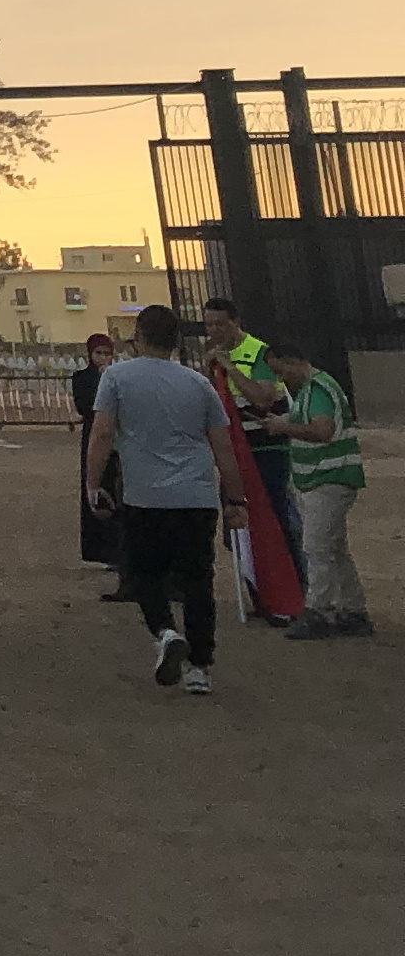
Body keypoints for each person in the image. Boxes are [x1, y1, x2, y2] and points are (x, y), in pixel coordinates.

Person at [87, 304, 249, 695]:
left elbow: (103, 433)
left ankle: (164, 631)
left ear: (139, 335)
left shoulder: (116, 377)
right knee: (197, 580)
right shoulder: (198, 384)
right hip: (196, 496)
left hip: (145, 495)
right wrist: (236, 499)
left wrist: (92, 483)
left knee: (144, 573)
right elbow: (223, 446)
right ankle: (200, 666)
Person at [204, 298, 299, 619]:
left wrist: (230, 368)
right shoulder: (213, 355)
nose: (215, 330)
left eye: (221, 324)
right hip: (234, 451)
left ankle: (292, 594)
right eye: (210, 324)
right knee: (237, 526)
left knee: (275, 521)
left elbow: (263, 398)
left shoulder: (258, 352)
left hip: (266, 449)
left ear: (236, 322)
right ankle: (260, 594)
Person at [269, 342, 371, 640]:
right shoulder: (313, 389)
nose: (281, 379)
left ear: (292, 362)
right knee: (333, 548)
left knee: (316, 547)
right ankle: (352, 609)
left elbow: (322, 430)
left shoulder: (317, 389)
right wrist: (284, 423)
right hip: (324, 479)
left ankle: (318, 610)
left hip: (327, 479)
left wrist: (284, 427)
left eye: (281, 371)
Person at [72, 334, 127, 587]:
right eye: (99, 353)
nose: (103, 358)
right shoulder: (81, 378)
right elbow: (85, 406)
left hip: (117, 438)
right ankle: (102, 550)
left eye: (107, 353)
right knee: (97, 487)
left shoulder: (119, 377)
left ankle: (120, 549)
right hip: (94, 436)